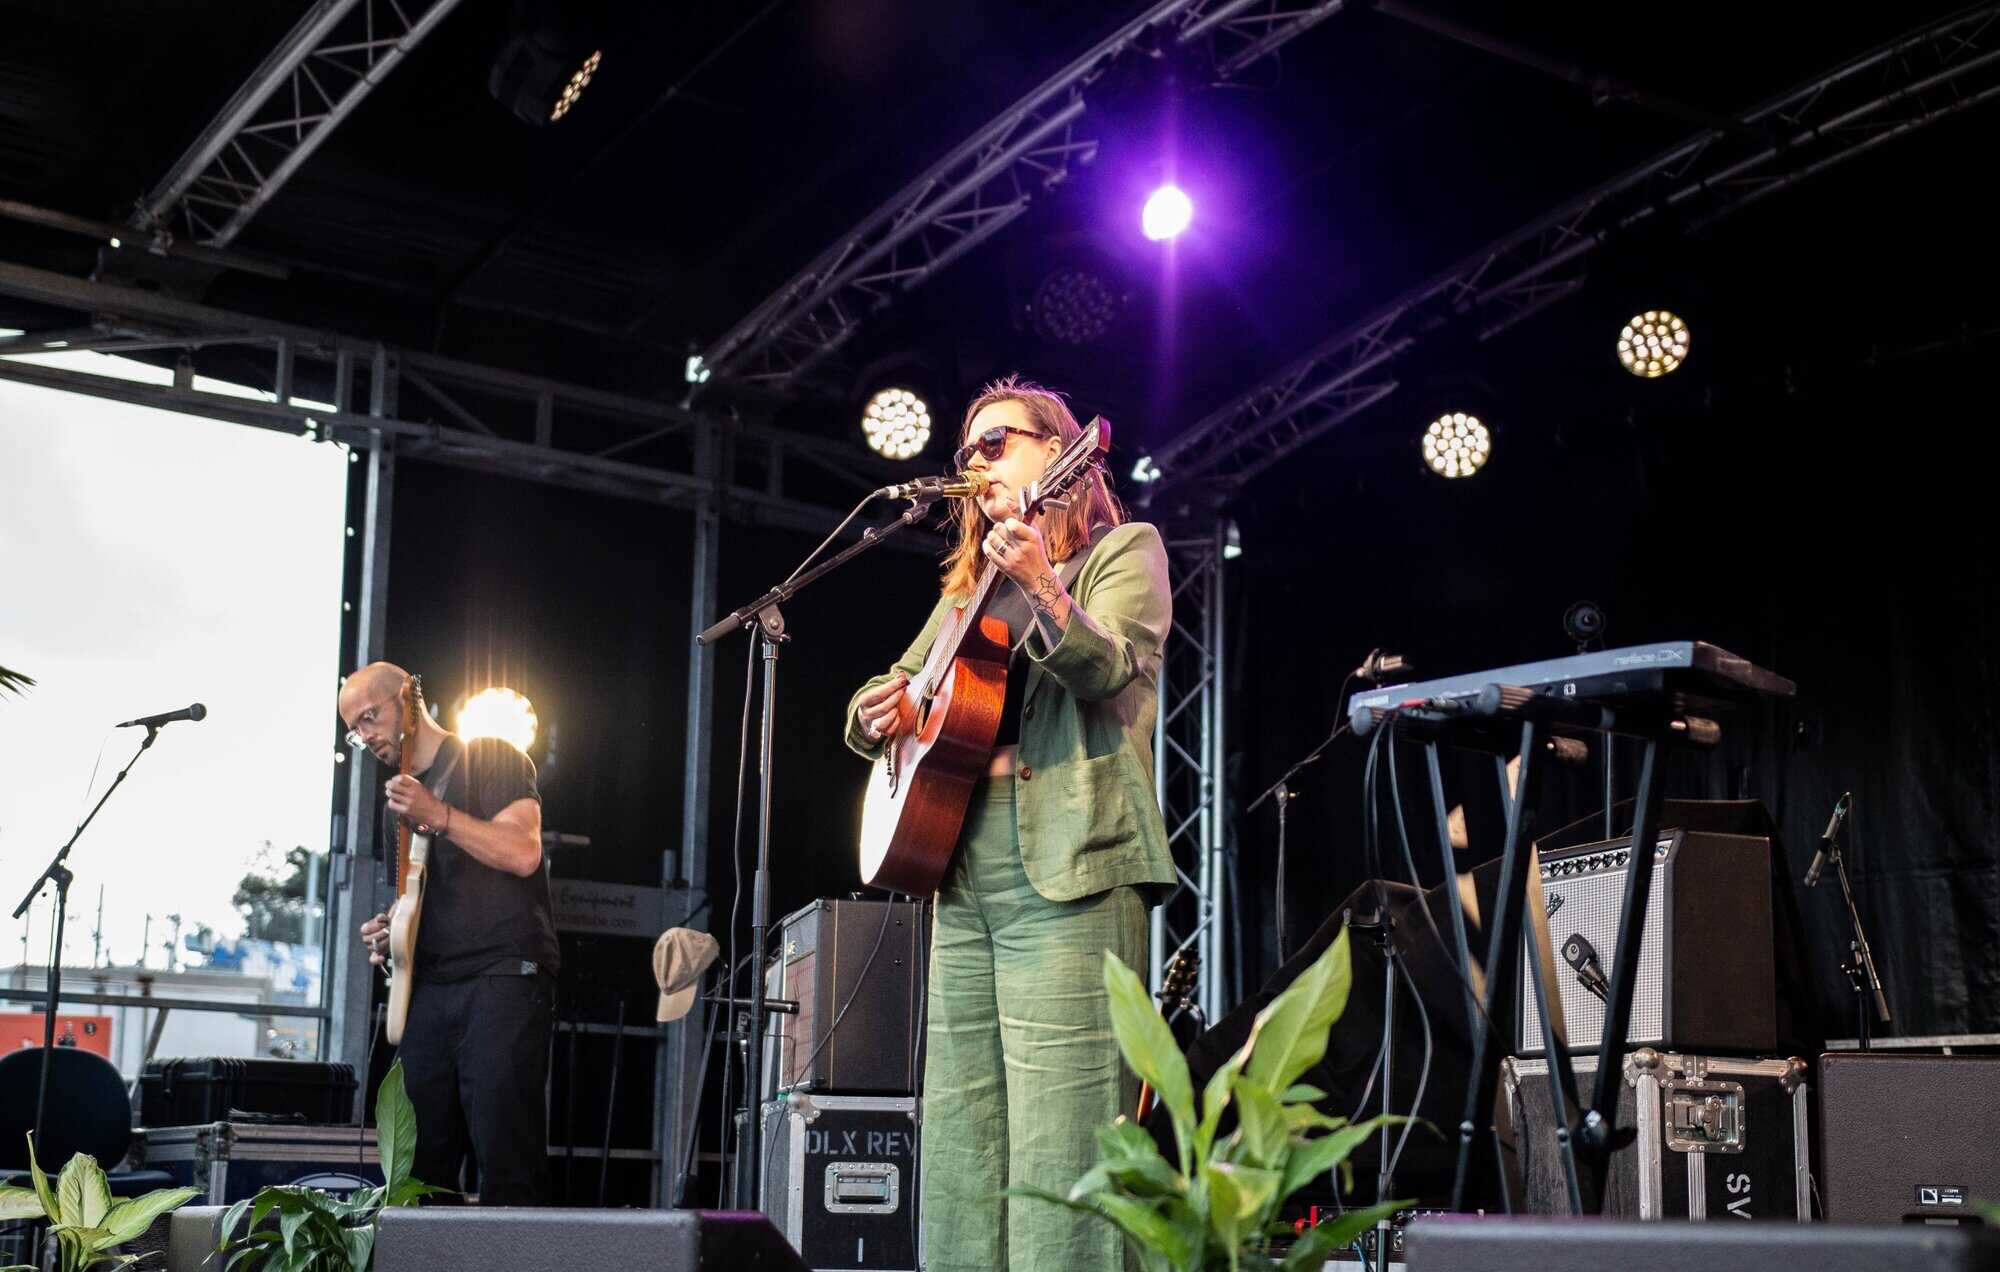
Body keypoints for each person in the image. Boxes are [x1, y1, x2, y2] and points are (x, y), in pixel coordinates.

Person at [845, 376, 1175, 1271]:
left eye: (997, 443)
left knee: (1066, 1132)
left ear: (1057, 453)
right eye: (967, 452)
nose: (976, 461)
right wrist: (874, 712)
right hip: (960, 864)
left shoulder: (1125, 550)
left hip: (1072, 856)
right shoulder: (967, 591)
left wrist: (1040, 582)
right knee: (963, 1133)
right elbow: (895, 684)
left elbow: (1110, 667)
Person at [342, 661, 556, 1205]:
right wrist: (392, 932)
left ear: (408, 698)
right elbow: (419, 897)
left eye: (369, 717)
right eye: (354, 730)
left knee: (506, 1157)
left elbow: (523, 852)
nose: (366, 736)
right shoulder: (395, 804)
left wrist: (438, 813)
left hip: (501, 977)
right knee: (417, 1166)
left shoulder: (491, 756)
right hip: (431, 990)